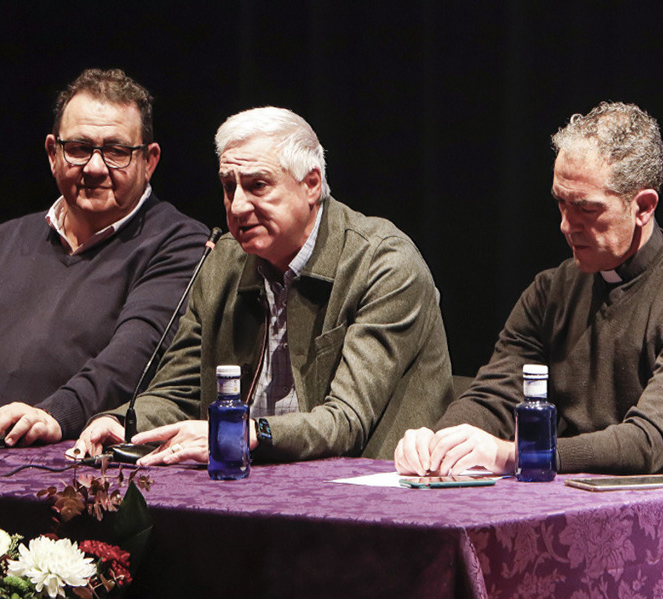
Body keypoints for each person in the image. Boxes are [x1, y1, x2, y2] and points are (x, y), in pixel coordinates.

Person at [394, 101, 663, 492]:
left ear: (644, 207)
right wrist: (441, 442)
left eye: (586, 208)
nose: (567, 225)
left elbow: (649, 443)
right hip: (584, 506)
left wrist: (512, 455)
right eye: (561, 203)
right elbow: (496, 395)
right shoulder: (553, 290)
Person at [71, 106, 452, 465]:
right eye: (228, 186)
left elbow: (346, 421)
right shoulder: (223, 260)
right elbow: (179, 391)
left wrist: (246, 433)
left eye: (257, 186)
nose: (237, 207)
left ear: (311, 185)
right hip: (246, 484)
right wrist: (126, 424)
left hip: (363, 498)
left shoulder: (383, 264)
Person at [0, 68, 208, 446]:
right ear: (53, 153)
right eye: (79, 149)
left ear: (149, 162)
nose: (95, 167)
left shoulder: (180, 243)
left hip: (69, 469)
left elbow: (133, 360)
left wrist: (55, 414)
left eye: (116, 151)